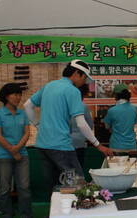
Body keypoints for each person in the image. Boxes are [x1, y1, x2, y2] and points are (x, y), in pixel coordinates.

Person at [24, 60, 113, 195]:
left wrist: (37, 125)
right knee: (77, 186)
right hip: (61, 148)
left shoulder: (49, 86)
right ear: (77, 73)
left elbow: (27, 105)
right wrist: (98, 145)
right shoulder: (73, 91)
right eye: (84, 78)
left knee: (55, 188)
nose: (84, 82)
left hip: (42, 145)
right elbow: (81, 123)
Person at [0, 83, 32, 218]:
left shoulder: (22, 114)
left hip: (22, 156)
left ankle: (25, 214)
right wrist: (13, 151)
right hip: (2, 156)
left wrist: (17, 149)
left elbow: (26, 133)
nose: (18, 97)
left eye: (19, 94)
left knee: (24, 188)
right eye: (15, 94)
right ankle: (7, 214)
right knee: (4, 189)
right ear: (6, 96)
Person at [103, 84, 137, 154]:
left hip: (116, 146)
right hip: (132, 147)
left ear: (116, 95)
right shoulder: (134, 109)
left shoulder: (112, 110)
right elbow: (133, 124)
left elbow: (107, 127)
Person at [70, 84, 94, 169]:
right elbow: (89, 125)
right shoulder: (83, 106)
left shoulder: (66, 105)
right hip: (79, 142)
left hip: (65, 141)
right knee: (78, 167)